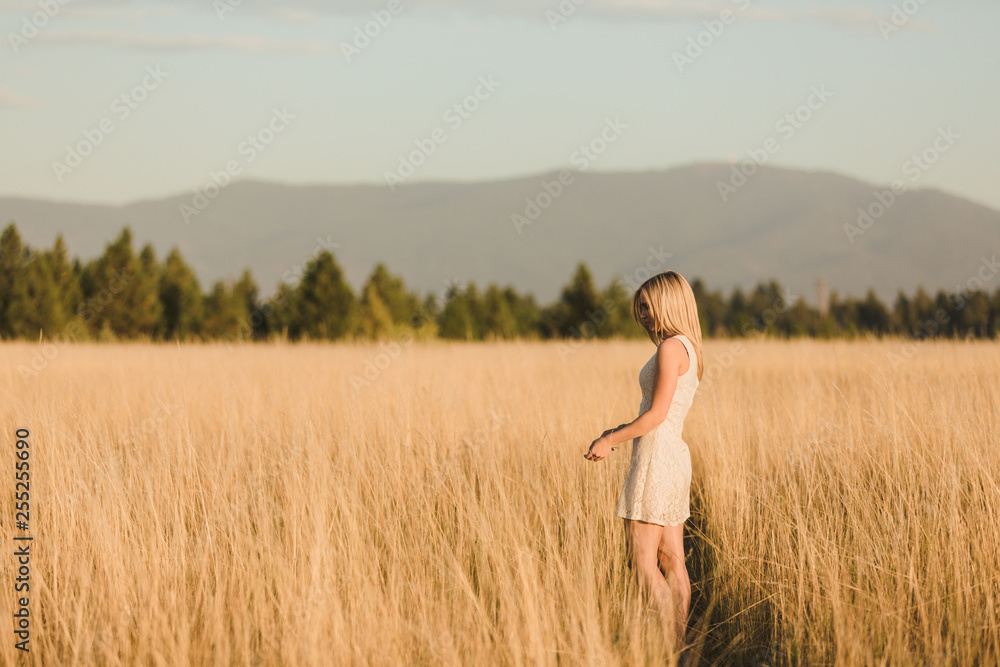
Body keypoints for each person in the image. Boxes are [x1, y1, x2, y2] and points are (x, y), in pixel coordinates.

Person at [584, 270, 704, 646]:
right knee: (673, 560)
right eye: (641, 307)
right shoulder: (688, 346)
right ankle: (680, 649)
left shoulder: (670, 348)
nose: (643, 314)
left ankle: (670, 646)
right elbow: (658, 413)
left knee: (643, 563)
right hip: (673, 455)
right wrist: (616, 430)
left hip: (656, 458)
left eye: (648, 306)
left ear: (669, 302)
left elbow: (656, 416)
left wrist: (609, 440)